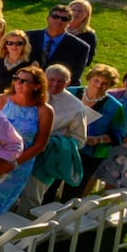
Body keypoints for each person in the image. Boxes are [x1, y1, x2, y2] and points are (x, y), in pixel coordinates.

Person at [0, 65, 53, 229]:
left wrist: (12, 163)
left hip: (18, 166)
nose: (19, 83)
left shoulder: (44, 111)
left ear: (37, 85)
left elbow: (40, 145)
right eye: (17, 79)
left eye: (24, 81)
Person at [30, 63, 93, 204]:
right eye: (51, 79)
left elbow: (80, 140)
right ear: (44, 78)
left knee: (32, 196)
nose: (55, 84)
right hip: (21, 151)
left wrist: (55, 143)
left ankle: (25, 224)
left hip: (46, 157)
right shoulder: (30, 94)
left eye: (60, 81)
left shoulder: (75, 107)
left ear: (68, 82)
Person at [73, 64, 127, 196]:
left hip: (90, 153)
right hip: (64, 145)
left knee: (75, 188)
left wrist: (98, 139)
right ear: (89, 78)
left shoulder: (115, 106)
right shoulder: (71, 93)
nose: (99, 85)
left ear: (110, 86)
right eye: (96, 80)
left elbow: (119, 134)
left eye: (105, 83)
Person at [26, 4, 93, 84]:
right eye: (55, 17)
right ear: (48, 18)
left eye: (64, 19)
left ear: (69, 22)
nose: (59, 20)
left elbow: (75, 78)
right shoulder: (27, 37)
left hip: (55, 90)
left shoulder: (80, 47)